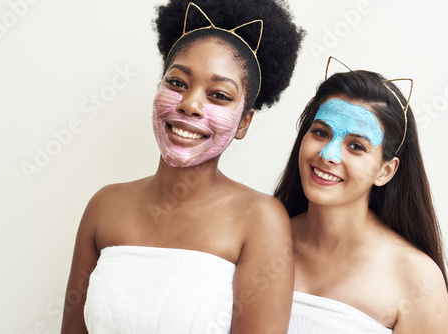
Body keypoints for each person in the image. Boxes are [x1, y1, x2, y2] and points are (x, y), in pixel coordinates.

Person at [61, 0, 304, 333]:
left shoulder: (261, 220)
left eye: (219, 94)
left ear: (244, 122)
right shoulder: (104, 206)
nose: (190, 104)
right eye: (177, 83)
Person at [274, 58, 448, 333]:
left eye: (356, 146)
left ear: (386, 171)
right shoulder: (261, 237)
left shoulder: (416, 278)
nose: (328, 154)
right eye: (321, 133)